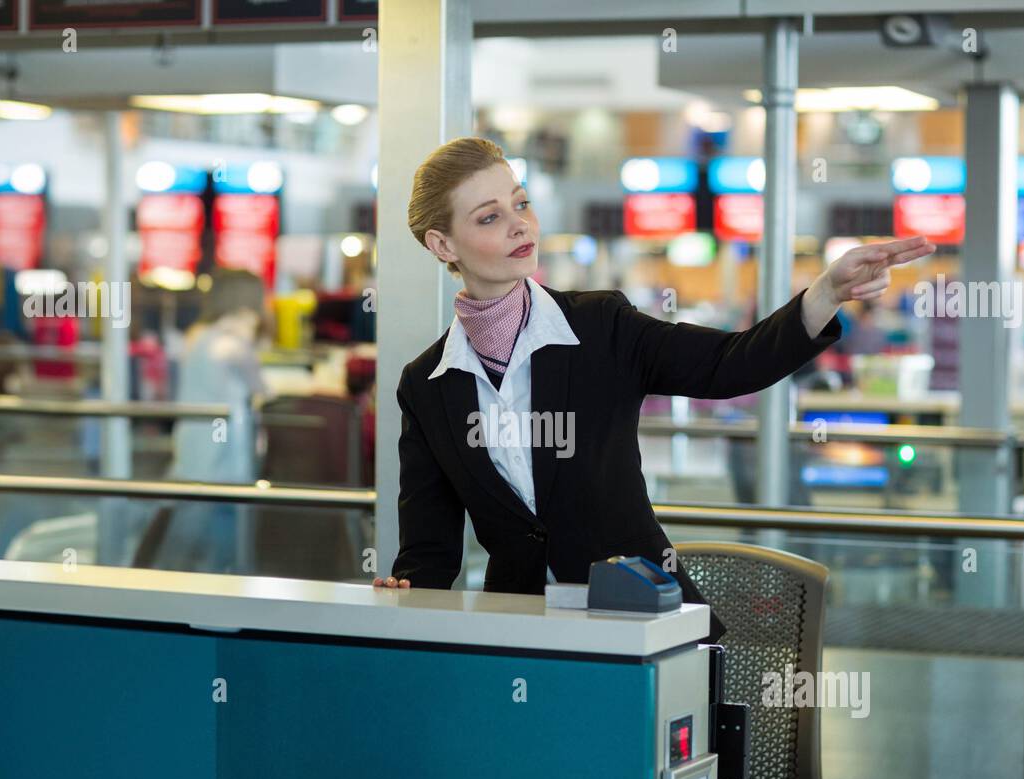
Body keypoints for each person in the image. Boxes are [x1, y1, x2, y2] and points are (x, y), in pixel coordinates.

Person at [374, 136, 933, 642]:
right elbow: (429, 550)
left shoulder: (600, 327)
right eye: (489, 218)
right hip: (522, 631)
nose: (520, 225)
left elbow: (729, 365)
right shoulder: (427, 385)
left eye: (521, 204)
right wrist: (402, 595)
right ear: (443, 245)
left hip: (644, 622)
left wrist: (825, 293)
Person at [152, 269, 269, 573]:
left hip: (195, 444)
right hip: (224, 455)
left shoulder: (199, 335)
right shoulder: (233, 342)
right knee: (220, 533)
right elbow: (262, 389)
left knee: (187, 530)